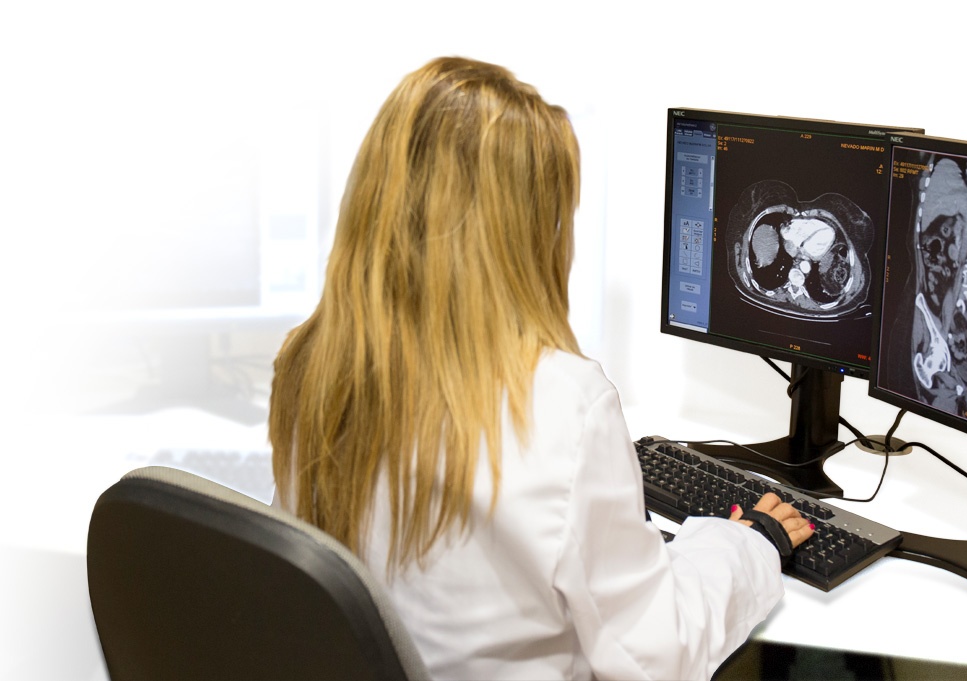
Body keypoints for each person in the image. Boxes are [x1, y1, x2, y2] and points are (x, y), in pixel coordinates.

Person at [269, 56, 813, 681]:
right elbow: (657, 657)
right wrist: (747, 544)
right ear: (523, 231)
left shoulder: (310, 366)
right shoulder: (562, 404)